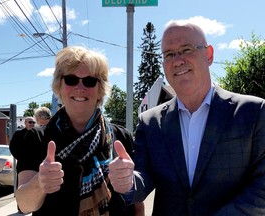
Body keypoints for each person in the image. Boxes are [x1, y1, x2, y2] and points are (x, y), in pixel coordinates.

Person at [108, 21, 265, 215]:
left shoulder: (254, 112)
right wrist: (127, 182)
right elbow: (143, 178)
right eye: (169, 54)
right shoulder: (150, 122)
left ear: (209, 55)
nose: (177, 60)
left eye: (186, 49)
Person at [14, 46, 144, 216]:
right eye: (71, 79)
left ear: (100, 90)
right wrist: (39, 183)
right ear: (59, 86)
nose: (80, 87)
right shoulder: (36, 138)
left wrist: (129, 185)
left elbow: (137, 205)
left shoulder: (121, 138)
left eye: (90, 81)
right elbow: (24, 205)